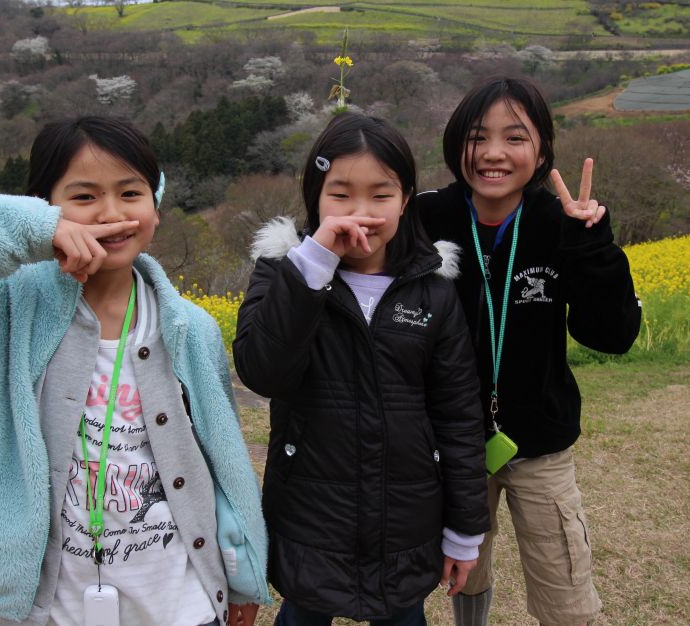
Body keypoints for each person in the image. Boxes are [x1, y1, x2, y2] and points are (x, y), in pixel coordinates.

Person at [0, 116, 269, 626]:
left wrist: (242, 575)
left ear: (156, 206)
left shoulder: (191, 327)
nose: (111, 213)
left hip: (181, 603)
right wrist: (12, 228)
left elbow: (223, 461)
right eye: (83, 197)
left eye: (131, 193)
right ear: (43, 209)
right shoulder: (1, 314)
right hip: (45, 610)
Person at [232, 112, 491, 625]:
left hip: (407, 524)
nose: (361, 212)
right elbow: (263, 371)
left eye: (381, 194)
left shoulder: (433, 290)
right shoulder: (284, 272)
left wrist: (465, 532)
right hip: (309, 517)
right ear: (315, 197)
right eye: (341, 194)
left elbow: (459, 417)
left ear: (406, 199)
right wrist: (312, 266)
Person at [417, 76, 642, 626]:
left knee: (564, 582)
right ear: (455, 144)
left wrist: (592, 246)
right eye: (477, 137)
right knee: (465, 568)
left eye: (515, 137)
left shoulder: (561, 223)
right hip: (449, 439)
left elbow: (611, 335)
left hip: (540, 441)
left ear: (542, 151)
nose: (493, 153)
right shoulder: (425, 217)